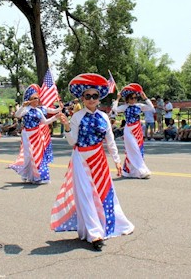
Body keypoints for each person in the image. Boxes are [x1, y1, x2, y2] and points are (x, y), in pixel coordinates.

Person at [53, 73, 134, 250]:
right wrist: (66, 126)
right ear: (82, 98)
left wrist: (117, 160)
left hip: (99, 159)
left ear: (99, 98)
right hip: (81, 159)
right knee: (86, 196)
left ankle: (105, 225)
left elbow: (110, 141)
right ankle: (94, 233)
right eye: (87, 96)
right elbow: (72, 141)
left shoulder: (104, 117)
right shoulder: (77, 117)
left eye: (94, 96)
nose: (91, 99)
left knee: (104, 192)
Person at [10, 85, 60, 184]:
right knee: (29, 156)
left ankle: (38, 176)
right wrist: (23, 106)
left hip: (37, 134)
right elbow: (17, 115)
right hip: (27, 135)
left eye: (37, 98)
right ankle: (26, 174)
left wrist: (55, 117)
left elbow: (45, 122)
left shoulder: (38, 110)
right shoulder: (26, 109)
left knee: (37, 155)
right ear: (30, 100)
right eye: (34, 98)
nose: (37, 100)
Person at [112, 84, 153, 179]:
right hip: (129, 130)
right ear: (127, 99)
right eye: (131, 98)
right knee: (132, 149)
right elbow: (114, 110)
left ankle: (130, 171)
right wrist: (117, 99)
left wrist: (145, 98)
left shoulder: (139, 106)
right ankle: (142, 171)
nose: (134, 99)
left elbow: (151, 108)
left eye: (135, 98)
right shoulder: (125, 107)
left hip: (137, 129)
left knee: (139, 149)